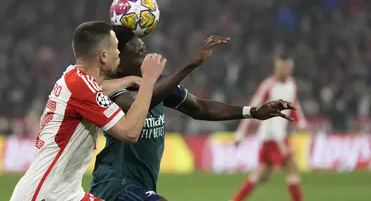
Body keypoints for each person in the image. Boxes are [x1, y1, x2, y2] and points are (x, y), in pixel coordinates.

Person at [90, 26, 297, 201]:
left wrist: (252, 112)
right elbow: (140, 102)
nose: (145, 51)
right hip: (115, 185)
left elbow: (200, 108)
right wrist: (190, 64)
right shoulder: (110, 89)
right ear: (119, 59)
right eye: (138, 50)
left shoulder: (156, 82)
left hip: (140, 185)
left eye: (144, 48)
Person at [10, 21, 166, 201]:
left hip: (67, 193)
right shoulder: (81, 87)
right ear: (104, 56)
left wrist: (129, 80)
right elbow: (130, 132)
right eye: (116, 48)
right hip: (44, 194)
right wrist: (148, 80)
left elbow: (100, 88)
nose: (119, 54)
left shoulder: (73, 77)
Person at [231, 55, 307, 201]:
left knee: (262, 173)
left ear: (290, 68)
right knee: (291, 167)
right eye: (281, 67)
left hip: (278, 136)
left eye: (287, 67)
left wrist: (301, 122)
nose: (283, 70)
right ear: (276, 68)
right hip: (272, 136)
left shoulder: (292, 84)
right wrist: (241, 133)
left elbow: (294, 104)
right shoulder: (268, 85)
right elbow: (251, 109)